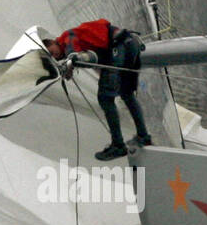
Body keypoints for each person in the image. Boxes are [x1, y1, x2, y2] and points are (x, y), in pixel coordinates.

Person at [46, 19, 150, 161]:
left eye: (52, 52)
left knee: (106, 98)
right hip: (129, 43)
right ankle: (144, 136)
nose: (55, 56)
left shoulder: (66, 37)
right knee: (127, 94)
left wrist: (70, 64)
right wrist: (70, 66)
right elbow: (82, 57)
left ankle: (118, 145)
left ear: (53, 42)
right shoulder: (73, 40)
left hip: (118, 46)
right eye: (52, 57)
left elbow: (72, 53)